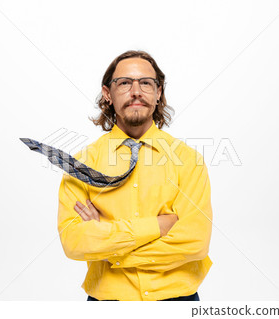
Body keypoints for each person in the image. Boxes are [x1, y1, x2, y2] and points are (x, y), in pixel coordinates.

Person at [57, 50, 213, 301]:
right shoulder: (81, 166)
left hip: (178, 301)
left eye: (146, 83)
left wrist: (109, 245)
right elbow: (74, 242)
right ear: (108, 94)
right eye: (125, 83)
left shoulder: (189, 160)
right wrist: (157, 226)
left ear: (158, 92)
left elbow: (195, 242)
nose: (136, 91)